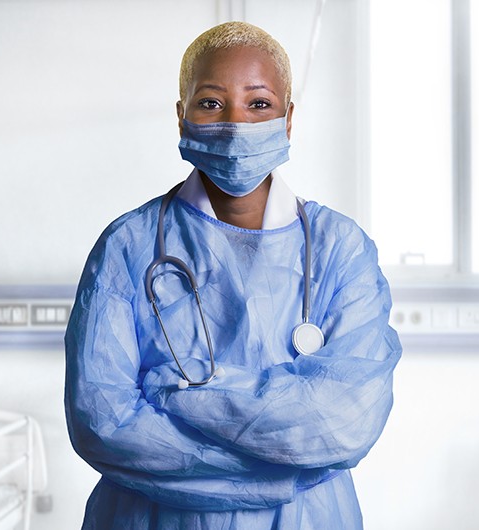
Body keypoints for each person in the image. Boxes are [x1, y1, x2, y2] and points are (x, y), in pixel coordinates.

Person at [64, 21, 402, 530]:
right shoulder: (128, 246)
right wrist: (278, 465)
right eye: (211, 103)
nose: (235, 123)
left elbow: (342, 421)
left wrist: (172, 391)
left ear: (288, 120)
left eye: (259, 104)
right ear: (181, 117)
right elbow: (103, 422)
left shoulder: (341, 249)